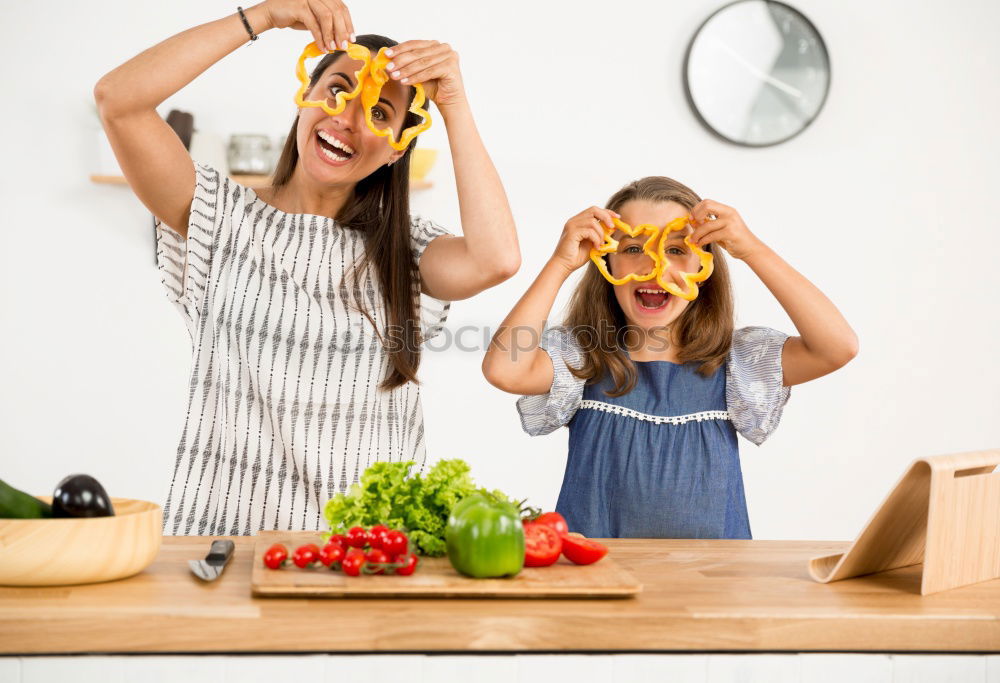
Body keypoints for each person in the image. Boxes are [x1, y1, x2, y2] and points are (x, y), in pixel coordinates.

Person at [94, 0, 520, 536]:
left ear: (396, 151)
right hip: (222, 549)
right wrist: (263, 17)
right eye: (337, 90)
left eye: (380, 113)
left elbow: (498, 257)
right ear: (304, 99)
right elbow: (118, 101)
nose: (347, 118)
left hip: (363, 560)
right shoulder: (220, 216)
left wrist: (453, 102)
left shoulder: (406, 253)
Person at [482, 177, 856, 538]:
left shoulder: (737, 362)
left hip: (711, 584)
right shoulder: (582, 357)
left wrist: (752, 250)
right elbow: (504, 370)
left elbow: (838, 346)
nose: (654, 266)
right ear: (607, 264)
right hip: (597, 579)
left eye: (676, 249)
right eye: (632, 249)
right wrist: (560, 264)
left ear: (703, 267)